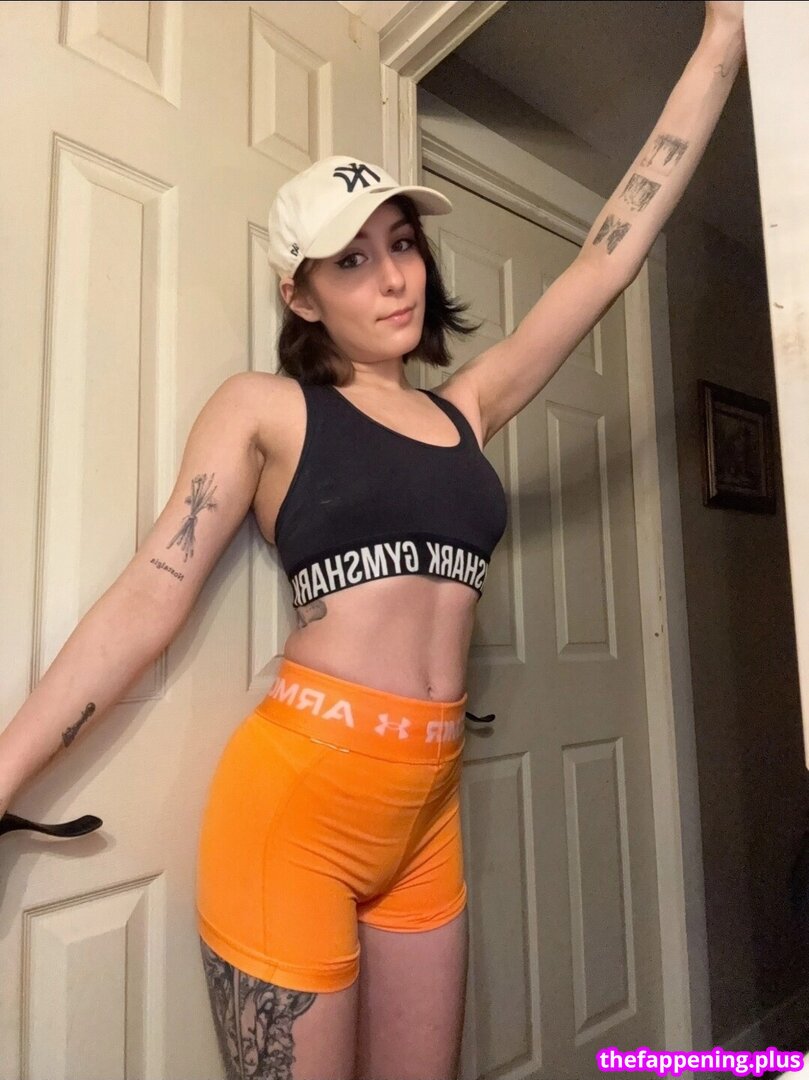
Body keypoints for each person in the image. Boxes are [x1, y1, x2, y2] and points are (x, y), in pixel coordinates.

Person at [0, 3, 745, 1077]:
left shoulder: (466, 408)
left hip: (426, 813)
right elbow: (150, 594)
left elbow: (603, 262)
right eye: (349, 261)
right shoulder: (264, 408)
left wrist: (721, 39)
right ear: (299, 294)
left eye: (401, 245)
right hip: (293, 810)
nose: (394, 277)